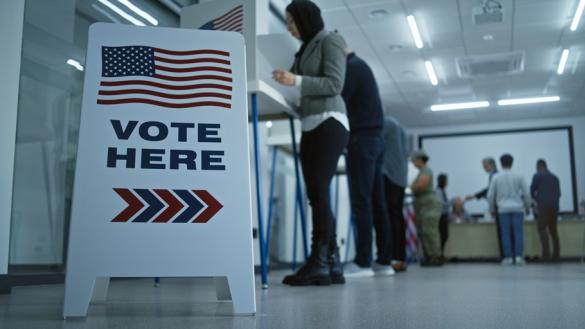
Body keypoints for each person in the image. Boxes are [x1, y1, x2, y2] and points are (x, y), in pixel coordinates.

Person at [273, 0, 349, 286]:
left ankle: (319, 262)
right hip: (311, 122)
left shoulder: (330, 40)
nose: (289, 27)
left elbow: (334, 84)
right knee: (317, 193)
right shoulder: (304, 48)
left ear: (306, 19)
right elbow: (298, 83)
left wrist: (297, 81)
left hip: (330, 120)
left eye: (292, 21)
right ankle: (332, 263)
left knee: (317, 191)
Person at [341, 47, 394, 277]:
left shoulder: (351, 68)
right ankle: (384, 261)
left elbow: (340, 98)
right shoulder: (362, 66)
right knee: (376, 202)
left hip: (361, 140)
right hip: (376, 140)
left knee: (361, 200)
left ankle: (363, 262)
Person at [487, 154, 531, 266]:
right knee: (518, 233)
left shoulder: (496, 177)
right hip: (517, 209)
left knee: (505, 234)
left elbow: (490, 195)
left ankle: (507, 258)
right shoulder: (519, 176)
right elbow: (526, 193)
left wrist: (492, 208)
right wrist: (527, 207)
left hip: (502, 209)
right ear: (512, 162)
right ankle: (518, 257)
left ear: (501, 164)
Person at [382, 116, 409, 272]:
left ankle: (391, 258)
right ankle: (399, 258)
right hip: (400, 178)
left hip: (389, 176)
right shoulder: (399, 126)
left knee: (389, 219)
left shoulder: (385, 123)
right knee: (397, 219)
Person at [410, 150, 443, 266]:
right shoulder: (422, 171)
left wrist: (411, 187)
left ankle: (435, 256)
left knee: (430, 231)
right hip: (423, 204)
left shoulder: (426, 171)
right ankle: (429, 256)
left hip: (429, 204)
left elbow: (420, 186)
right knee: (424, 231)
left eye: (414, 160)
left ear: (419, 160)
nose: (413, 163)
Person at [465, 157, 503, 258]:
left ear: (491, 165)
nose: (484, 168)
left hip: (498, 206)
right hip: (498, 206)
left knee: (501, 233)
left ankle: (504, 256)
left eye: (485, 166)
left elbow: (489, 191)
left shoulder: (495, 175)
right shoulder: (493, 175)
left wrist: (474, 196)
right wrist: (474, 196)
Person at [530, 159, 561, 262]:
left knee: (542, 229)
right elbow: (559, 193)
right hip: (555, 207)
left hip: (543, 207)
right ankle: (556, 256)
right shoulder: (555, 177)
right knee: (553, 231)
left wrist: (536, 199)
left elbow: (531, 191)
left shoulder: (537, 175)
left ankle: (546, 256)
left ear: (538, 167)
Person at [436, 173, 450, 258]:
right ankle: (439, 254)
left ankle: (441, 253)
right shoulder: (438, 191)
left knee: (445, 236)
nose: (447, 182)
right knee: (442, 235)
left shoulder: (443, 190)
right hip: (440, 216)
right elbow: (442, 204)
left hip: (445, 216)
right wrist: (453, 201)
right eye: (446, 180)